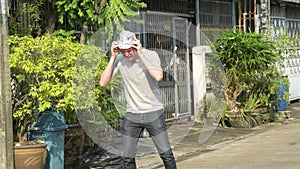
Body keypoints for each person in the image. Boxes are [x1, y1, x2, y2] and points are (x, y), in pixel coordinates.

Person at [100, 30, 177, 169]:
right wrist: (113, 57)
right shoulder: (120, 59)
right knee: (127, 157)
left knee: (166, 154)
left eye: (129, 50)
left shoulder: (150, 55)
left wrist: (141, 54)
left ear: (135, 46)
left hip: (153, 112)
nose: (127, 54)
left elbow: (158, 76)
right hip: (132, 114)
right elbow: (103, 83)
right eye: (123, 51)